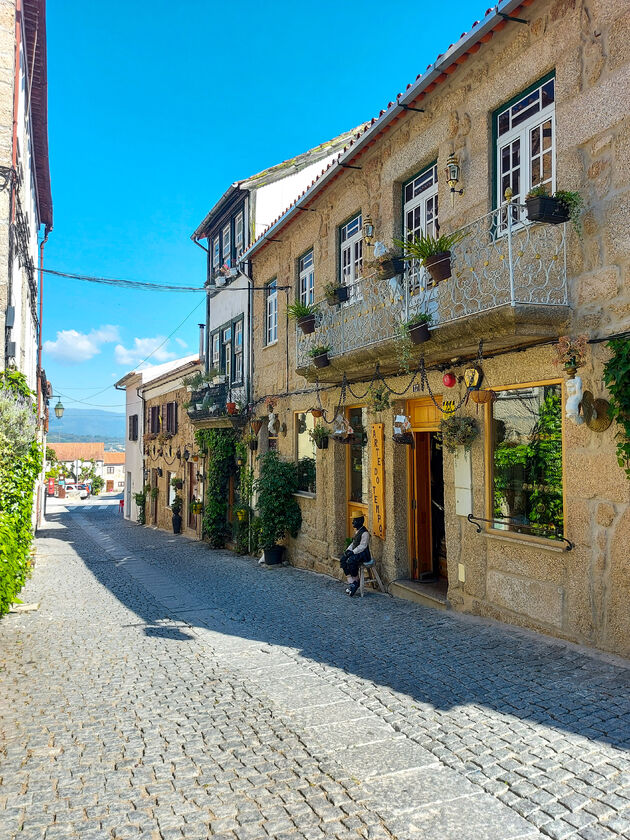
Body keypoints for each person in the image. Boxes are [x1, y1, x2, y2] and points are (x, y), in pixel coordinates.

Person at [339, 515, 371, 596]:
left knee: (351, 561)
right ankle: (351, 582)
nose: (353, 522)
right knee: (343, 559)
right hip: (356, 552)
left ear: (360, 522)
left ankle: (356, 580)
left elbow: (363, 546)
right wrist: (348, 551)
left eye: (355, 521)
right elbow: (354, 543)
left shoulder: (365, 533)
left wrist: (353, 552)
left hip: (363, 554)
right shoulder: (357, 532)